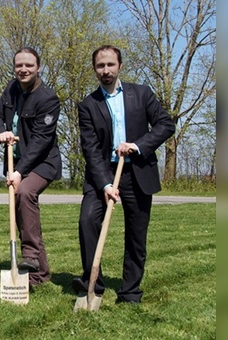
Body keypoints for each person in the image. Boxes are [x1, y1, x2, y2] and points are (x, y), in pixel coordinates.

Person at [73, 45, 175, 304]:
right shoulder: (88, 105)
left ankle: (130, 292)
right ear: (94, 69)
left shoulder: (141, 94)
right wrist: (106, 184)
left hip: (138, 171)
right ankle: (93, 282)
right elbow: (91, 149)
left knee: (136, 234)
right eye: (100, 66)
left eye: (110, 65)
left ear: (119, 65)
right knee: (88, 221)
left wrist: (137, 145)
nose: (105, 70)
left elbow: (165, 124)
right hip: (103, 173)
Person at [0, 47, 62, 287]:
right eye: (19, 65)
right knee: (23, 212)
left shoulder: (48, 98)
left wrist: (20, 172)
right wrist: (1, 133)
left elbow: (41, 141)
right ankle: (39, 274)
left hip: (42, 162)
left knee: (24, 193)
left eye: (29, 65)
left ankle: (29, 255)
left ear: (38, 67)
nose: (23, 69)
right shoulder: (11, 89)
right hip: (17, 161)